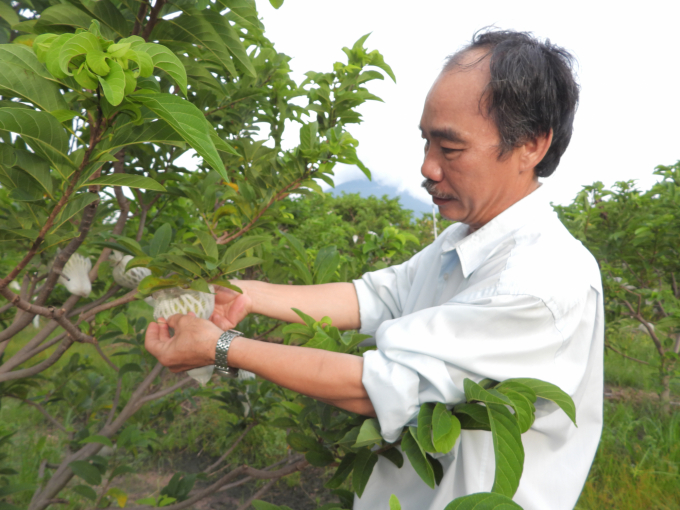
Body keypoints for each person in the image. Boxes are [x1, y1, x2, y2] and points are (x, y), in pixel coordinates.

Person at [145, 29, 603, 510]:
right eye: (426, 142)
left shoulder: (540, 282)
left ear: (530, 144)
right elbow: (376, 297)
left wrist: (222, 347)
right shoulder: (468, 237)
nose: (427, 167)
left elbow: (375, 387)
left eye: (449, 149)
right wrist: (239, 291)